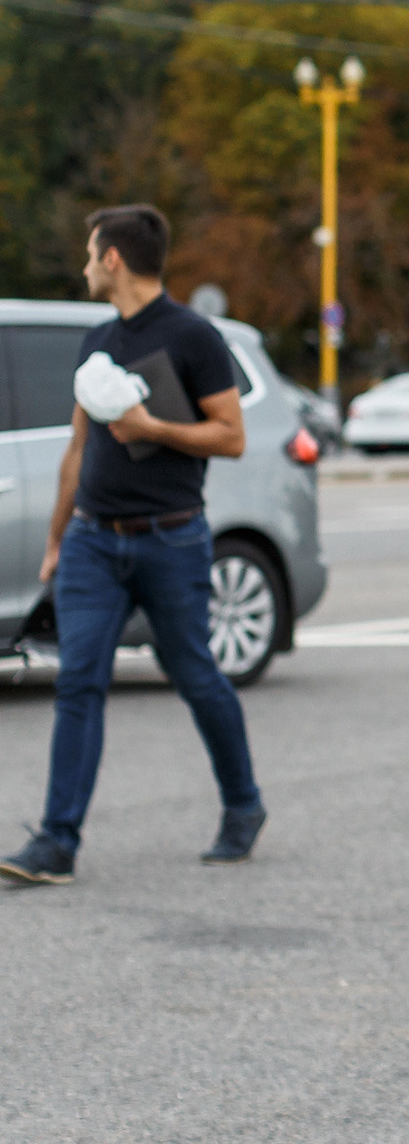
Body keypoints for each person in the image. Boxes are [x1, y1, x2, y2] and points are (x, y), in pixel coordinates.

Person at [1, 207, 266, 887]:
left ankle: (243, 805)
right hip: (94, 540)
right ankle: (57, 843)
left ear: (113, 259)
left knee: (196, 676)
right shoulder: (96, 339)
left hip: (171, 540)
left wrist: (152, 425)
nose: (85, 266)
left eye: (91, 254)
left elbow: (230, 435)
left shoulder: (194, 336)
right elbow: (77, 449)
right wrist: (58, 541)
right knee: (78, 683)